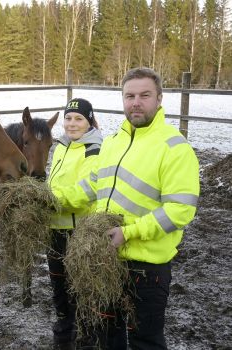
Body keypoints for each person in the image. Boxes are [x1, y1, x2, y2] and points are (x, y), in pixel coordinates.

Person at [51, 67, 200, 349]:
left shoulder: (174, 148)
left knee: (146, 341)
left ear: (159, 99)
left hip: (147, 268)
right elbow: (92, 186)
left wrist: (129, 233)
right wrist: (55, 200)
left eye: (145, 95)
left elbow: (180, 210)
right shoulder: (113, 143)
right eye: (129, 95)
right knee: (107, 335)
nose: (136, 102)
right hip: (107, 259)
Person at [47, 98, 103, 350]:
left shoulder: (95, 149)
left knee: (81, 286)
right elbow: (53, 183)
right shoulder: (61, 145)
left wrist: (50, 200)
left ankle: (86, 337)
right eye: (68, 118)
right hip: (54, 227)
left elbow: (89, 189)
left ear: (89, 121)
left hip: (79, 230)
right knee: (59, 283)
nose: (71, 124)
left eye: (78, 118)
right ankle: (63, 333)